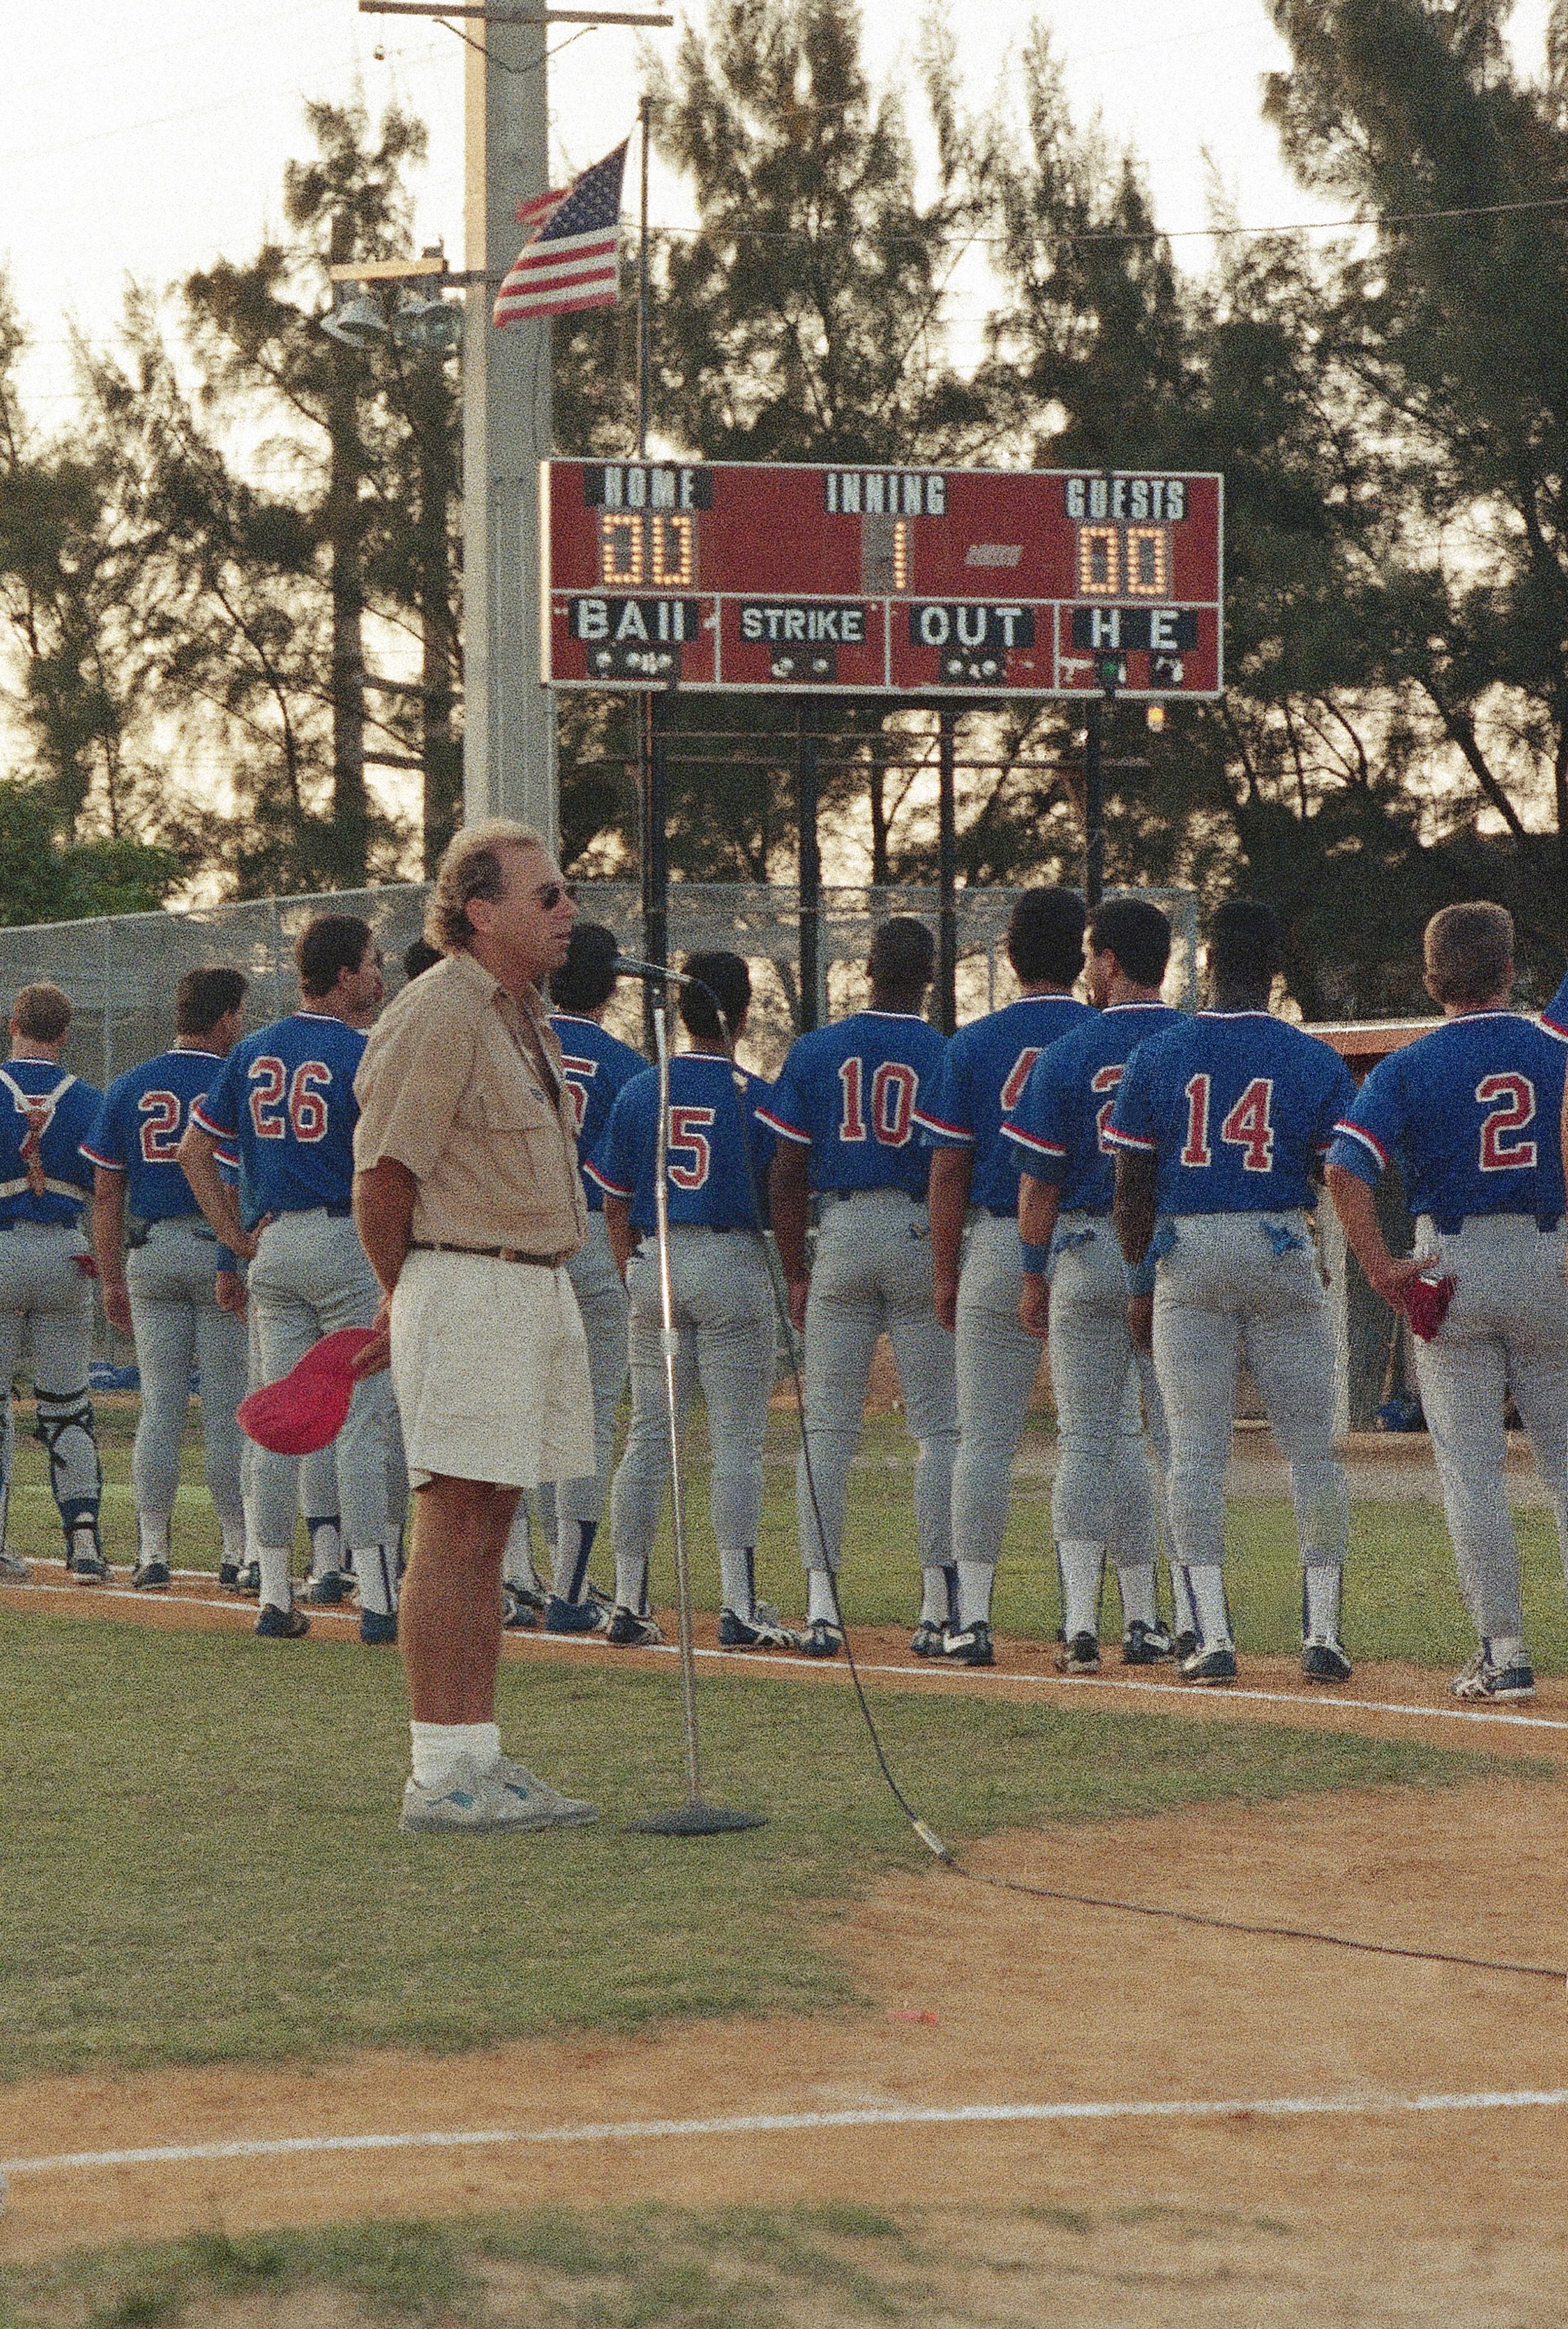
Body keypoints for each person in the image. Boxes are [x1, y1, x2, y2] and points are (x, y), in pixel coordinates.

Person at [352, 818, 599, 1836]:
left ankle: (479, 1758)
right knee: (454, 1526)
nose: (568, 910)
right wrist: (403, 1292)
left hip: (530, 1286)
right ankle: (439, 1769)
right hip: (465, 1282)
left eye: (567, 890)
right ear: (480, 909)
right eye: (548, 895)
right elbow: (383, 1176)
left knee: (491, 1526)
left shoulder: (519, 1013)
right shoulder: (441, 1009)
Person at [1109, 897, 1357, 1686]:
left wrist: (1142, 1279)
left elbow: (1130, 1188)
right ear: (1276, 971)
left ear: (1206, 963)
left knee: (1195, 1455)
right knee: (1312, 1450)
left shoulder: (1159, 1051)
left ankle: (1212, 1636)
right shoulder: (1310, 1055)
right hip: (1279, 1236)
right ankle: (1322, 1634)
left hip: (1190, 1247)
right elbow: (1336, 1170)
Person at [1328, 902, 1568, 1702]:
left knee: (1473, 1474)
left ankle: (1504, 1654)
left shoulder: (1408, 1066)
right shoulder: (1555, 1047)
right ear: (1509, 971)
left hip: (1452, 1264)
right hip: (1550, 1255)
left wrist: (1377, 1265)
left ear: (1433, 982)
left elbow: (1345, 1167)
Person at [178, 915, 397, 1644]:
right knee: (364, 1421)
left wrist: (235, 1239)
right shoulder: (365, 1051)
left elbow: (194, 1150)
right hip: (345, 1241)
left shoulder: (253, 1050)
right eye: (369, 963)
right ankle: (376, 1597)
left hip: (275, 1247)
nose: (376, 974)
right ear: (342, 976)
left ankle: (274, 1592)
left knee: (276, 1420)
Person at [763, 917, 957, 1655]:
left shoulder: (817, 1049)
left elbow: (785, 1169)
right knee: (938, 1432)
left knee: (829, 1431)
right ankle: (937, 1605)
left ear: (867, 968)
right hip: (915, 1229)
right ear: (929, 977)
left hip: (841, 1230)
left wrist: (794, 1269)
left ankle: (821, 1607)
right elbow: (955, 1165)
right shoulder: (944, 1050)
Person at [587, 951, 790, 1650]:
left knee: (648, 1436)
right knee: (738, 1444)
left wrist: (630, 1271)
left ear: (682, 1011)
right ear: (738, 1015)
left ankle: (629, 1599)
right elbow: (783, 1189)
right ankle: (736, 1603)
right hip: (732, 1258)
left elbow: (614, 1203)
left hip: (657, 1258)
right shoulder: (754, 1094)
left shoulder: (643, 1089)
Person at [1004, 895, 1187, 1669]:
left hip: (1082, 1249)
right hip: (1171, 1257)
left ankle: (1082, 1625)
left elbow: (1038, 1186)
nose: (1088, 968)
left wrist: (1032, 1273)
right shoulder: (1190, 1042)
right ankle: (1161, 1620)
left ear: (1110, 962)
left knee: (1087, 1443)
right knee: (1173, 1446)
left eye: (1093, 955)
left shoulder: (1072, 1051)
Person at [915, 888, 1094, 1666]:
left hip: (995, 1238)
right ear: (1082, 956)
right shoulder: (1103, 1032)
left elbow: (949, 1167)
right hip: (1090, 1240)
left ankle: (972, 1618)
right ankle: (1121, 1617)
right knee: (1107, 1437)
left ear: (1012, 956)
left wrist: (944, 1269)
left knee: (981, 1440)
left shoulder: (974, 1041)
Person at [84, 967, 250, 1590]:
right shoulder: (232, 1076)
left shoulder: (130, 1084)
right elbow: (239, 1177)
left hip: (149, 1251)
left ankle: (152, 1551)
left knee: (160, 1407)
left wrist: (110, 1278)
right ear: (227, 1017)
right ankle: (237, 1551)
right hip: (216, 1251)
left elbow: (106, 1194)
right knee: (226, 1407)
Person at [505, 921, 645, 1635]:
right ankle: (568, 1588)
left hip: (518, 1241)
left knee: (513, 1409)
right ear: (613, 984)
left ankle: (511, 1578)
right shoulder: (625, 1064)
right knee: (584, 1419)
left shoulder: (513, 1041)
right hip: (589, 1239)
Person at [0, 984, 105, 1582]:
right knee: (67, 1405)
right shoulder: (89, 1098)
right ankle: (85, 1544)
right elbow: (109, 1186)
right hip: (66, 1248)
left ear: (14, 1022)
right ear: (65, 1034)